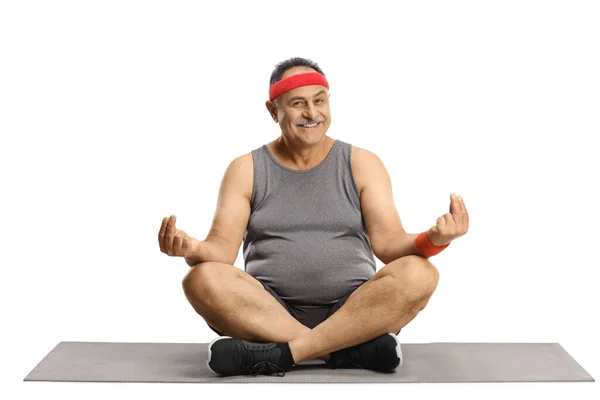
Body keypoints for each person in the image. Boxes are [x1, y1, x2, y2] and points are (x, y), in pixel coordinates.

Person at [158, 57, 469, 377]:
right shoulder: (246, 169)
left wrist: (434, 240)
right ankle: (345, 350)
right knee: (201, 278)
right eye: (298, 103)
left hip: (358, 309)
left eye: (319, 101)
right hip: (267, 313)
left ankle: (282, 355)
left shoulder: (362, 163)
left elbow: (389, 243)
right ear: (273, 110)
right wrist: (192, 250)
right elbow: (222, 251)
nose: (312, 113)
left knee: (421, 272)